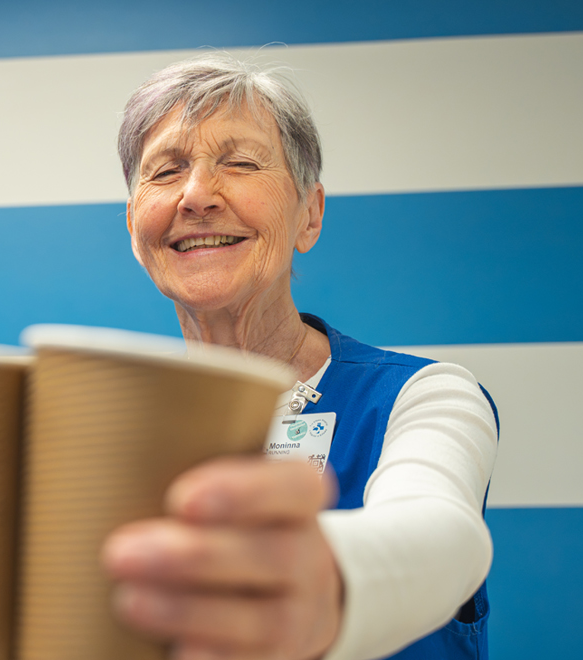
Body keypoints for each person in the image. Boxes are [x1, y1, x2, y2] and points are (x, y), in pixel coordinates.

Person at [101, 54, 499, 660]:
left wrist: (326, 588)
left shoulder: (425, 397)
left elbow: (444, 537)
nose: (197, 195)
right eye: (166, 171)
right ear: (134, 223)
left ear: (308, 215)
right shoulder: (102, 429)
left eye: (239, 163)